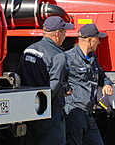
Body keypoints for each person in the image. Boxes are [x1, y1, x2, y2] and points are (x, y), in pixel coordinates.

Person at [19, 16, 74, 145]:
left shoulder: (28, 50)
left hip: (27, 108)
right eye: (64, 32)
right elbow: (54, 84)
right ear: (57, 34)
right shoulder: (58, 55)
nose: (65, 36)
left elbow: (20, 75)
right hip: (49, 111)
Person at [62, 24, 113, 145]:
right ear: (90, 40)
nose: (99, 42)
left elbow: (102, 77)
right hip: (74, 112)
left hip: (89, 113)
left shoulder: (92, 58)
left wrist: (107, 84)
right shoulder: (68, 58)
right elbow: (58, 79)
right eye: (97, 39)